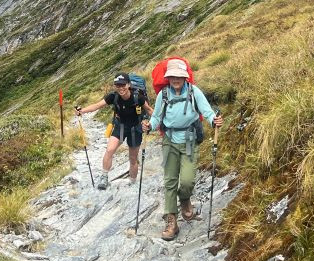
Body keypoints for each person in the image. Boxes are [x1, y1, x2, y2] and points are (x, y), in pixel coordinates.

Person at [142, 58, 222, 241]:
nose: (175, 79)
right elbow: (156, 117)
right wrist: (149, 126)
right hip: (169, 140)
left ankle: (185, 199)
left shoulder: (194, 92)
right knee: (170, 181)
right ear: (168, 78)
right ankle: (171, 221)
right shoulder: (163, 95)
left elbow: (207, 112)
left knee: (186, 181)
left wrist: (214, 120)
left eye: (179, 76)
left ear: (185, 77)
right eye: (172, 76)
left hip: (189, 140)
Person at [76, 73, 153, 189]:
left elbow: (149, 110)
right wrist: (82, 111)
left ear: (128, 85)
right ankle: (104, 177)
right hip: (120, 126)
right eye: (118, 85)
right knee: (110, 150)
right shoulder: (113, 96)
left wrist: (154, 123)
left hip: (135, 129)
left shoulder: (138, 98)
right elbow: (97, 105)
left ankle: (132, 182)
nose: (121, 88)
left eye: (123, 85)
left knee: (133, 158)